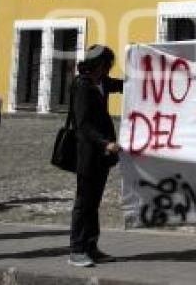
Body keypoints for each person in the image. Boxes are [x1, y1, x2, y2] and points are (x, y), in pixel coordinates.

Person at [69, 45, 121, 268]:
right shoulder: (82, 86)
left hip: (101, 156)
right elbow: (83, 124)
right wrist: (105, 142)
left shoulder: (101, 83)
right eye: (108, 65)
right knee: (83, 203)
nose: (109, 69)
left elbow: (124, 84)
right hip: (88, 154)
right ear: (99, 65)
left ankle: (91, 246)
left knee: (94, 203)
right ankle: (77, 249)